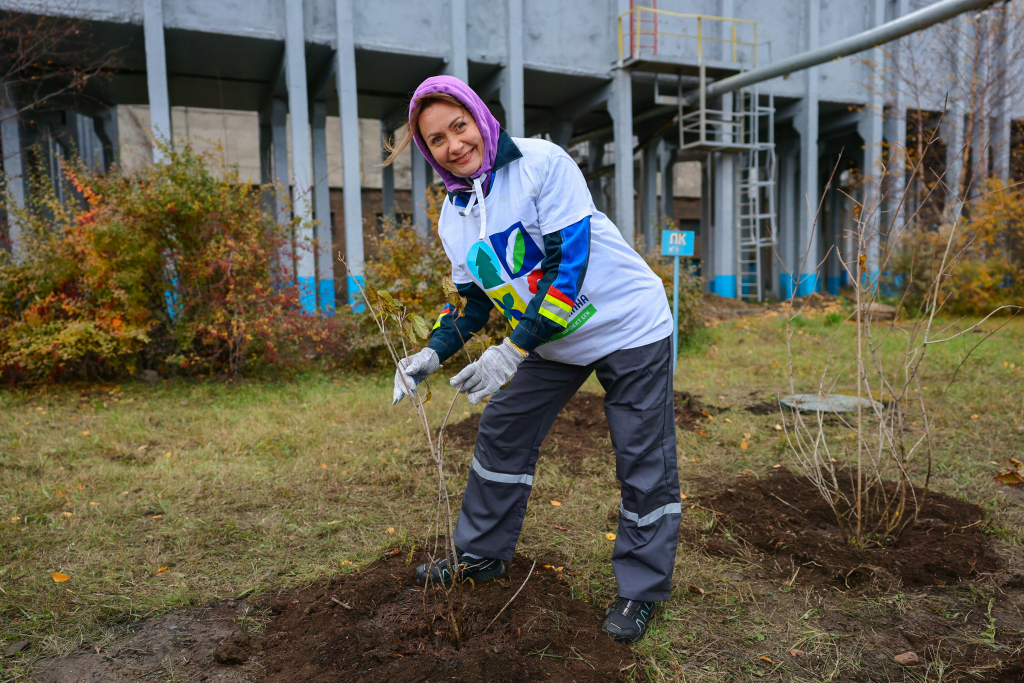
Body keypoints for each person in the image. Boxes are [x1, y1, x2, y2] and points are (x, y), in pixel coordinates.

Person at [383, 75, 680, 643]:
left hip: (628, 326)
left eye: (459, 126)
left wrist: (512, 351)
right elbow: (471, 305)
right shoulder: (455, 217)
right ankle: (481, 555)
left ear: (480, 118)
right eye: (437, 139)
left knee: (641, 456)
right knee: (503, 426)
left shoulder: (542, 163)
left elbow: (569, 272)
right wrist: (430, 354)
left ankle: (641, 590)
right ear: (428, 152)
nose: (453, 144)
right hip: (550, 339)